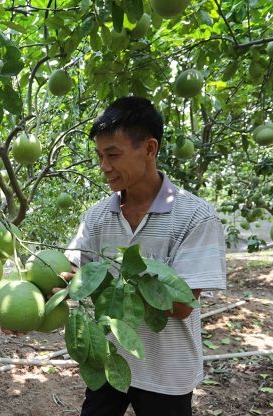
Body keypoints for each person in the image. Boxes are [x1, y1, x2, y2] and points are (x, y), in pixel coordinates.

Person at [64, 96, 226, 416]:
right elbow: (71, 270)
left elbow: (180, 304)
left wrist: (108, 282)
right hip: (111, 360)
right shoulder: (97, 217)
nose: (104, 167)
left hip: (167, 373)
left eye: (113, 155)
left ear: (149, 149)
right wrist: (31, 300)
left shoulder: (195, 216)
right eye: (99, 156)